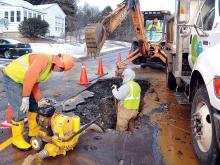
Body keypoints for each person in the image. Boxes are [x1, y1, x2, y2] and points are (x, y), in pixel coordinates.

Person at [2, 53, 75, 150]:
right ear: (59, 63)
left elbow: (34, 83)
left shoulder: (48, 68)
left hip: (23, 80)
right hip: (12, 78)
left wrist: (39, 100)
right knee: (20, 109)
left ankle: (33, 131)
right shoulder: (43, 60)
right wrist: (25, 98)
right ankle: (17, 139)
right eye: (61, 69)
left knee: (34, 106)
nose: (60, 72)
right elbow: (29, 79)